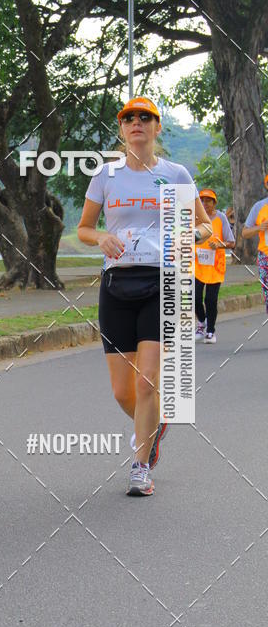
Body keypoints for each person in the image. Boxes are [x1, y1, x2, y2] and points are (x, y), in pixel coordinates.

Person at [77, 97, 212, 496]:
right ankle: (156, 424)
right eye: (128, 118)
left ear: (157, 127)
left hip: (162, 282)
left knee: (147, 381)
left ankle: (140, 466)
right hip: (117, 284)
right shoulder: (106, 175)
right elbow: (84, 228)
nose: (136, 122)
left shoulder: (175, 174)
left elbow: (205, 226)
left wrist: (189, 235)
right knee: (124, 392)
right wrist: (101, 237)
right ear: (122, 129)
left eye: (145, 117)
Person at [194, 188, 235, 343]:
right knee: (194, 297)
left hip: (215, 267)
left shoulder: (221, 218)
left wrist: (219, 245)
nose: (205, 204)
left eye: (208, 201)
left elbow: (231, 243)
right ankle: (201, 322)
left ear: (214, 203)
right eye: (202, 201)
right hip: (197, 266)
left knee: (210, 300)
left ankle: (210, 331)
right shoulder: (194, 218)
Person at [242, 173, 268, 313]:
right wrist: (259, 228)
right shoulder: (259, 206)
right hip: (265, 257)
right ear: (266, 185)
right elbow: (245, 233)